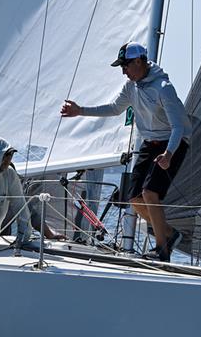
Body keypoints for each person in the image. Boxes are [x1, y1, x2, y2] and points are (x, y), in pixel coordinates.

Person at [60, 41, 192, 261]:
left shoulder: (163, 88)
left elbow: (178, 127)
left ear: (139, 61)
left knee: (151, 193)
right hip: (150, 143)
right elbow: (114, 109)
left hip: (173, 142)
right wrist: (80, 110)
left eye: (125, 66)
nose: (123, 71)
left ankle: (162, 250)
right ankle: (169, 234)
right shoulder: (131, 87)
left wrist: (169, 154)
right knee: (134, 199)